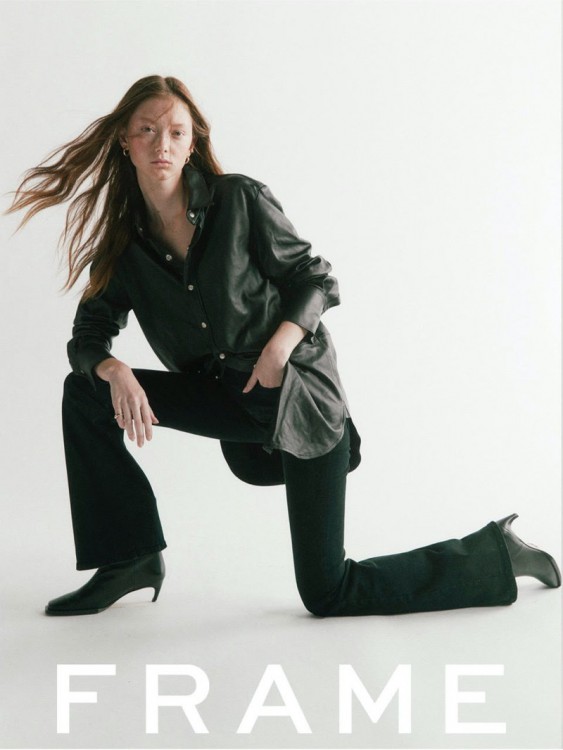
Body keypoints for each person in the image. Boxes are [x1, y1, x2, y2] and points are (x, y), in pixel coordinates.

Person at [7, 75, 560, 617]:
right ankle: (130, 558)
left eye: (176, 132)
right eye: (147, 130)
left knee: (328, 591)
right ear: (125, 141)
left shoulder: (239, 200)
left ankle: (497, 554)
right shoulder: (127, 246)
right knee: (85, 391)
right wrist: (113, 369)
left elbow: (315, 278)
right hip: (226, 401)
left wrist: (279, 348)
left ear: (192, 143)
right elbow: (88, 335)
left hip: (299, 401)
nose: (162, 145)